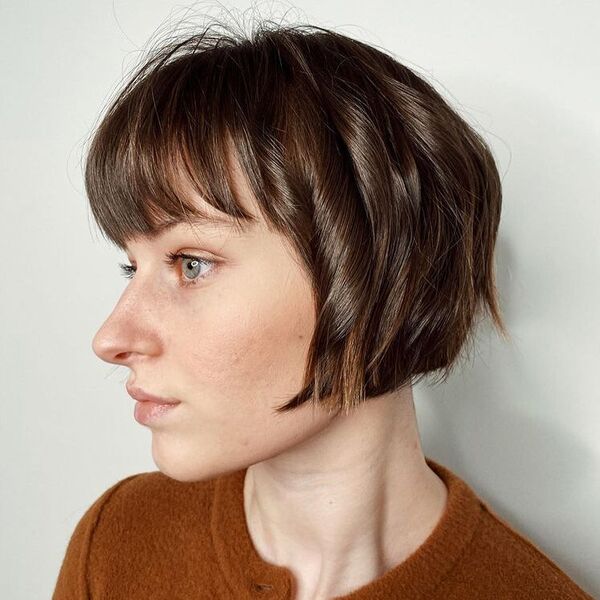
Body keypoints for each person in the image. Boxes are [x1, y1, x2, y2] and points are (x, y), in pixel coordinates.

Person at [52, 18, 594, 600]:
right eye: (131, 267)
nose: (111, 337)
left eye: (191, 264)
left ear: (379, 274)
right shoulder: (120, 539)